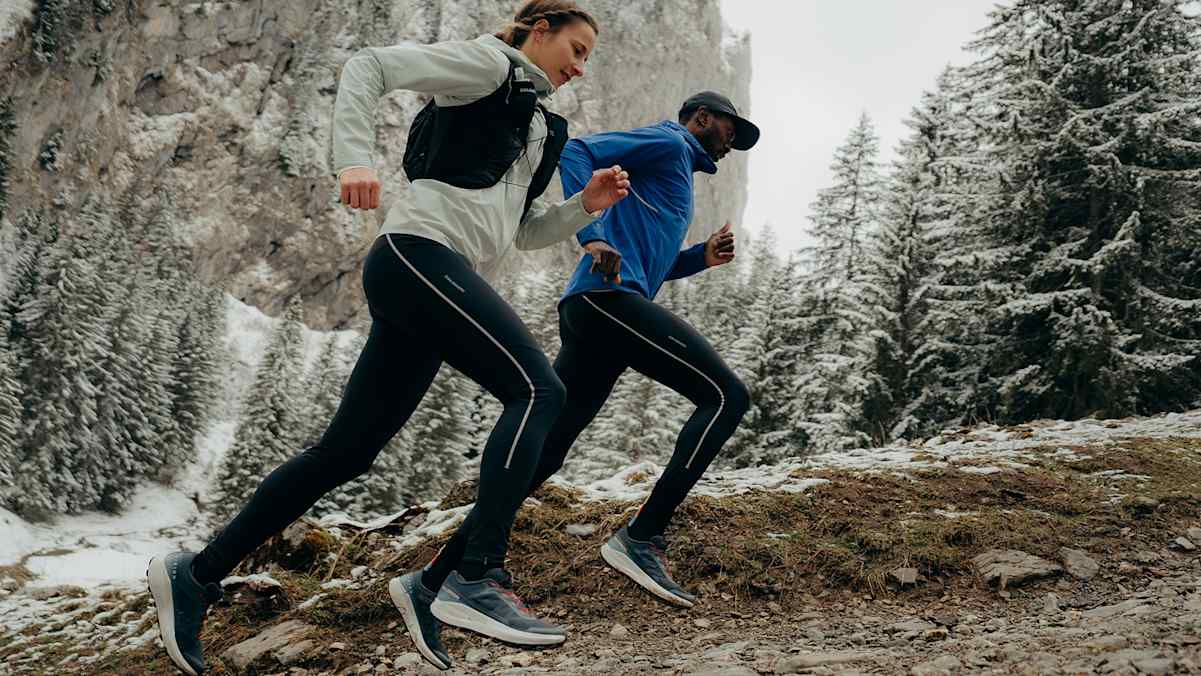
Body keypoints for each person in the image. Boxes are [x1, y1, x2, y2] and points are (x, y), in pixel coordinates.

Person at [146, 2, 629, 673]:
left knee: (345, 451)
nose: (579, 67)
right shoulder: (488, 63)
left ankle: (196, 573)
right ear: (537, 31)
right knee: (538, 389)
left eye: (588, 59)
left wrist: (585, 208)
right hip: (416, 255)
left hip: (437, 277)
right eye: (573, 48)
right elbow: (369, 65)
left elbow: (520, 233)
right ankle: (473, 576)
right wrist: (352, 161)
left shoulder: (542, 124)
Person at [424, 91, 760, 610]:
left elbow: (652, 263)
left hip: (602, 309)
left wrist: (700, 258)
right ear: (702, 118)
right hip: (606, 302)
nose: (732, 143)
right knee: (725, 397)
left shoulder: (673, 176)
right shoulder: (669, 142)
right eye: (730, 130)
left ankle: (443, 575)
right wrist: (591, 234)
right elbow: (577, 151)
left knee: (549, 450)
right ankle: (641, 538)